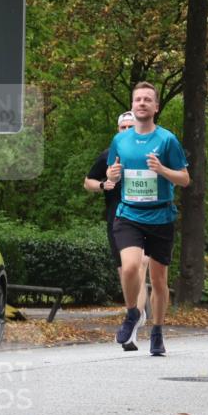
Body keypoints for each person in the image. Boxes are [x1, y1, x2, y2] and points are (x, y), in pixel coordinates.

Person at [109, 83, 190, 356]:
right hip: (129, 213)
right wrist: (112, 176)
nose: (142, 103)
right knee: (130, 268)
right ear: (132, 106)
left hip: (161, 216)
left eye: (147, 100)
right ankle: (132, 312)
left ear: (155, 107)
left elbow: (185, 179)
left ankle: (157, 330)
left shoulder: (167, 140)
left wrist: (161, 169)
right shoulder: (120, 140)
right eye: (138, 99)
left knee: (158, 280)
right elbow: (111, 174)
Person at [84, 111, 150, 350]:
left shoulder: (150, 153)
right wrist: (103, 184)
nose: (126, 131)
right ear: (118, 130)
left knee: (141, 263)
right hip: (118, 221)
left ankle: (132, 326)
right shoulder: (108, 157)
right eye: (122, 128)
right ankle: (134, 312)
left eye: (130, 127)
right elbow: (88, 181)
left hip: (146, 218)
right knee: (126, 273)